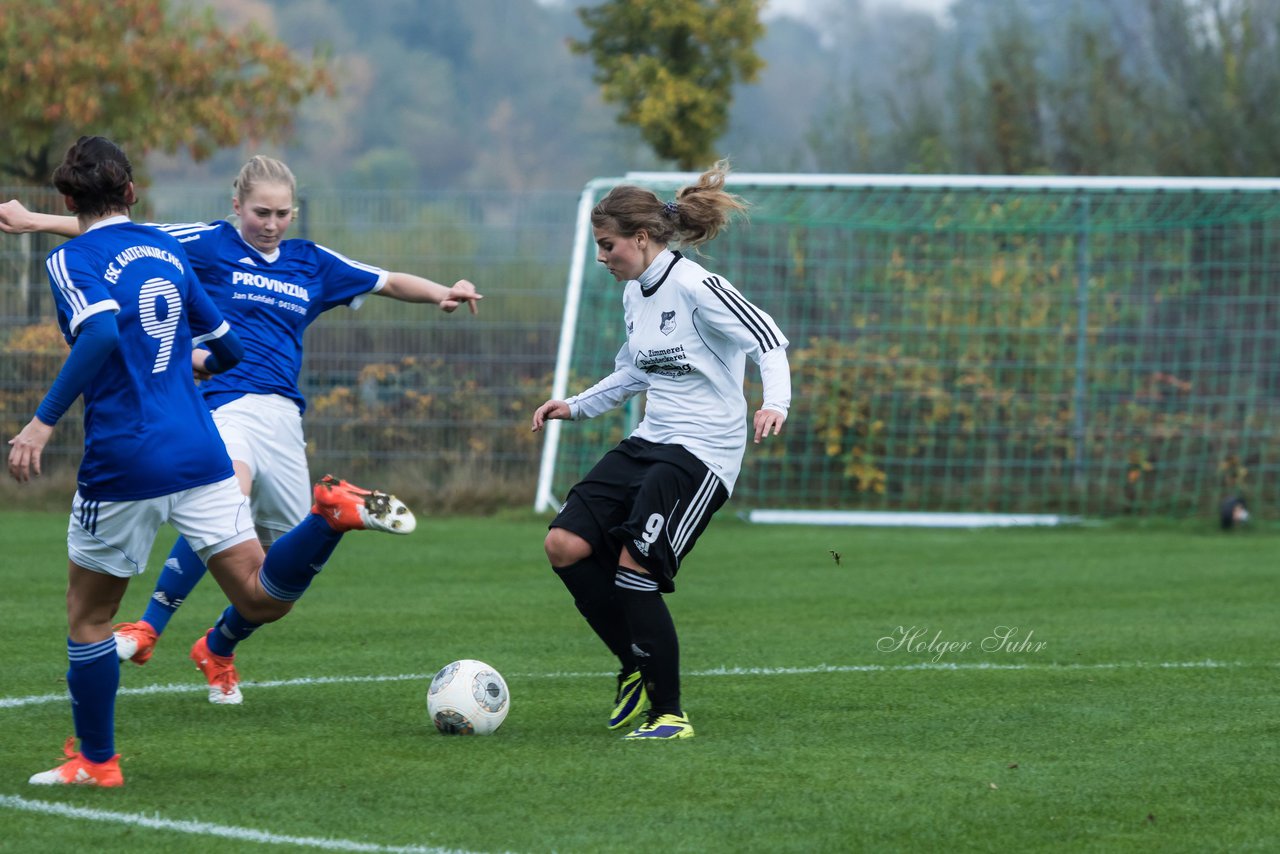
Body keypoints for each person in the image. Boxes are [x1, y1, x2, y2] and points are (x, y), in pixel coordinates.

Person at [9, 136, 416, 786]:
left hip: (126, 458)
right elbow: (224, 348)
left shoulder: (69, 259)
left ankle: (97, 762)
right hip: (201, 449)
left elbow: (104, 331)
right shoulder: (169, 250)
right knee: (259, 597)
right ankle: (330, 519)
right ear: (133, 194)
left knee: (88, 618)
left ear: (65, 199)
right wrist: (187, 361)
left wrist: (40, 422)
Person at [530, 161, 791, 740]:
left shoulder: (697, 285)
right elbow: (632, 373)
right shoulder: (633, 293)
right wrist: (573, 405)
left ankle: (668, 713)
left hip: (701, 453)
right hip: (652, 440)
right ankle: (632, 664)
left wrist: (775, 403)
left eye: (608, 244)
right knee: (564, 544)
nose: (602, 256)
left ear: (641, 238)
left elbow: (768, 339)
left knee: (635, 570)